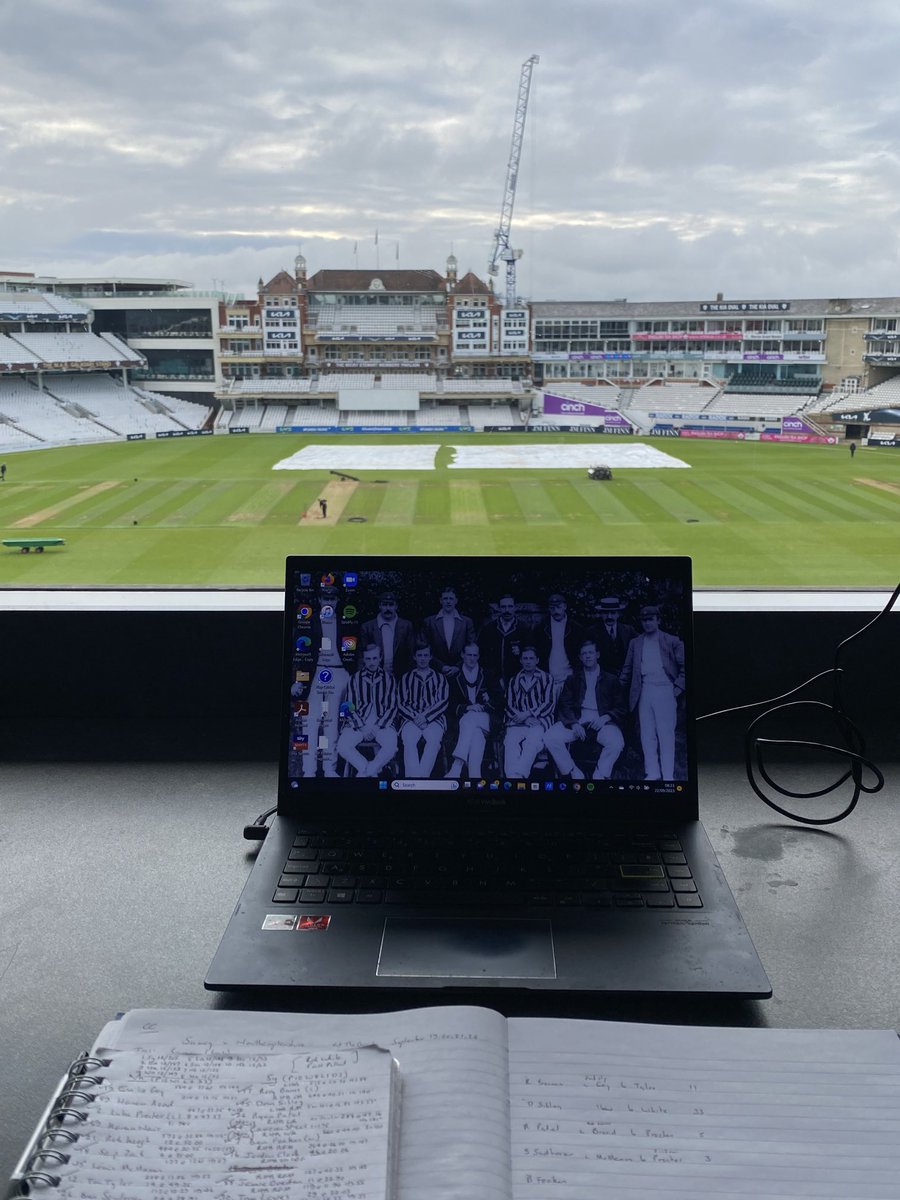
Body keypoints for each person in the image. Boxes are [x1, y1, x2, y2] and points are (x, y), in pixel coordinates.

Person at [544, 639, 626, 780]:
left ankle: (600, 774)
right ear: (580, 657)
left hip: (602, 719)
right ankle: (572, 771)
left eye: (591, 653)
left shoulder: (610, 679)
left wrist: (606, 718)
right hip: (578, 718)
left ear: (597, 655)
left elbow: (621, 706)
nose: (587, 656)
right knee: (550, 737)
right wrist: (574, 723)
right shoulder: (573, 678)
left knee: (616, 743)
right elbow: (565, 704)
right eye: (584, 654)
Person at [619, 606, 685, 781]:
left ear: (658, 620)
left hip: (665, 689)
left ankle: (668, 775)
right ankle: (652, 772)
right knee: (647, 734)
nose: (647, 623)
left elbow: (686, 666)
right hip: (644, 690)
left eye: (651, 619)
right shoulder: (636, 642)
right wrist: (619, 689)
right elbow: (627, 669)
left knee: (666, 734)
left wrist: (678, 687)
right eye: (644, 620)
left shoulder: (671, 641)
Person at [292, 586, 351, 778]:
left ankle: (329, 770)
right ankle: (309, 771)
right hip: (316, 673)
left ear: (337, 601)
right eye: (325, 598)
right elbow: (301, 653)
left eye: (332, 599)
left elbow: (354, 651)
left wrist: (350, 677)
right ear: (319, 600)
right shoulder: (308, 622)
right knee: (310, 722)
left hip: (339, 673)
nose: (329, 602)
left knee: (331, 724)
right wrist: (297, 680)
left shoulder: (346, 621)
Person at [336, 643, 399, 777]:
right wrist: (362, 727)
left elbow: (392, 707)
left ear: (380, 658)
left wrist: (377, 727)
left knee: (391, 745)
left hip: (382, 724)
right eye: (368, 659)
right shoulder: (354, 679)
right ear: (364, 659)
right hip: (359, 723)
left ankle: (368, 771)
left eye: (375, 658)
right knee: (342, 745)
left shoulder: (389, 679)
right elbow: (349, 706)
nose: (372, 662)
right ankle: (370, 770)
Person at [445, 642, 497, 779]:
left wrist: (487, 703)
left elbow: (500, 700)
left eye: (475, 655)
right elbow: (450, 704)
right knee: (476, 734)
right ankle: (475, 775)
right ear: (462, 655)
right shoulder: (454, 677)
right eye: (469, 655)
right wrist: (467, 707)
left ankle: (457, 764)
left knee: (470, 718)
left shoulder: (488, 674)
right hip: (464, 724)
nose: (472, 658)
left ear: (479, 656)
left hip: (486, 719)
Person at [398, 643, 450, 778]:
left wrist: (426, 717)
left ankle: (421, 777)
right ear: (414, 657)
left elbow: (443, 702)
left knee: (433, 742)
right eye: (419, 655)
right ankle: (413, 777)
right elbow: (401, 703)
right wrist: (416, 717)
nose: (422, 659)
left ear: (431, 657)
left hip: (434, 719)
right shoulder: (406, 678)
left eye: (426, 655)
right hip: (411, 719)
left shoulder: (440, 678)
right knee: (409, 740)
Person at [502, 645, 555, 778]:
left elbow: (549, 703)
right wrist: (523, 718)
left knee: (532, 741)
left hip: (539, 720)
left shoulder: (546, 678)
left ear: (537, 660)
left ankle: (520, 774)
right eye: (525, 658)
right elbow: (508, 705)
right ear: (520, 660)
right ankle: (511, 777)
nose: (528, 661)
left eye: (531, 658)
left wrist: (530, 713)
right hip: (518, 720)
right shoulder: (514, 680)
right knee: (510, 741)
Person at [533, 593, 585, 700]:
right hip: (547, 677)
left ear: (565, 607)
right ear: (548, 608)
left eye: (558, 607)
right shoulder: (541, 628)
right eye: (552, 608)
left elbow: (582, 654)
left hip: (570, 677)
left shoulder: (576, 628)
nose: (556, 611)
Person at [359, 590, 417, 679]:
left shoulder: (406, 626)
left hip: (401, 676)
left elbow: (411, 653)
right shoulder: (368, 627)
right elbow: (361, 655)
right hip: (374, 676)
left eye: (391, 605)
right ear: (380, 606)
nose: (388, 608)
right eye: (385, 605)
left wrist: (409, 677)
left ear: (396, 606)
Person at [421, 587, 477, 678]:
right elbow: (425, 648)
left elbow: (472, 647)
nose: (448, 601)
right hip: (435, 671)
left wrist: (458, 666)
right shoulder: (430, 621)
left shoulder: (466, 622)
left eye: (451, 599)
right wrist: (441, 666)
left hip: (461, 672)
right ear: (440, 601)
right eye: (445, 599)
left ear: (456, 601)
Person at [477, 593, 523, 693]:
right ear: (498, 608)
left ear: (515, 607)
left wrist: (521, 650)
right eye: (503, 607)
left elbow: (531, 653)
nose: (507, 610)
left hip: (517, 679)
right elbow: (481, 655)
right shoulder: (489, 628)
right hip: (493, 680)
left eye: (510, 606)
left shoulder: (523, 628)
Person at [590, 596, 636, 674]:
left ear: (618, 614)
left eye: (613, 613)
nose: (609, 616)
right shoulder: (592, 632)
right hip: (602, 678)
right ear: (601, 614)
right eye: (605, 613)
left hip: (625, 677)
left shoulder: (628, 630)